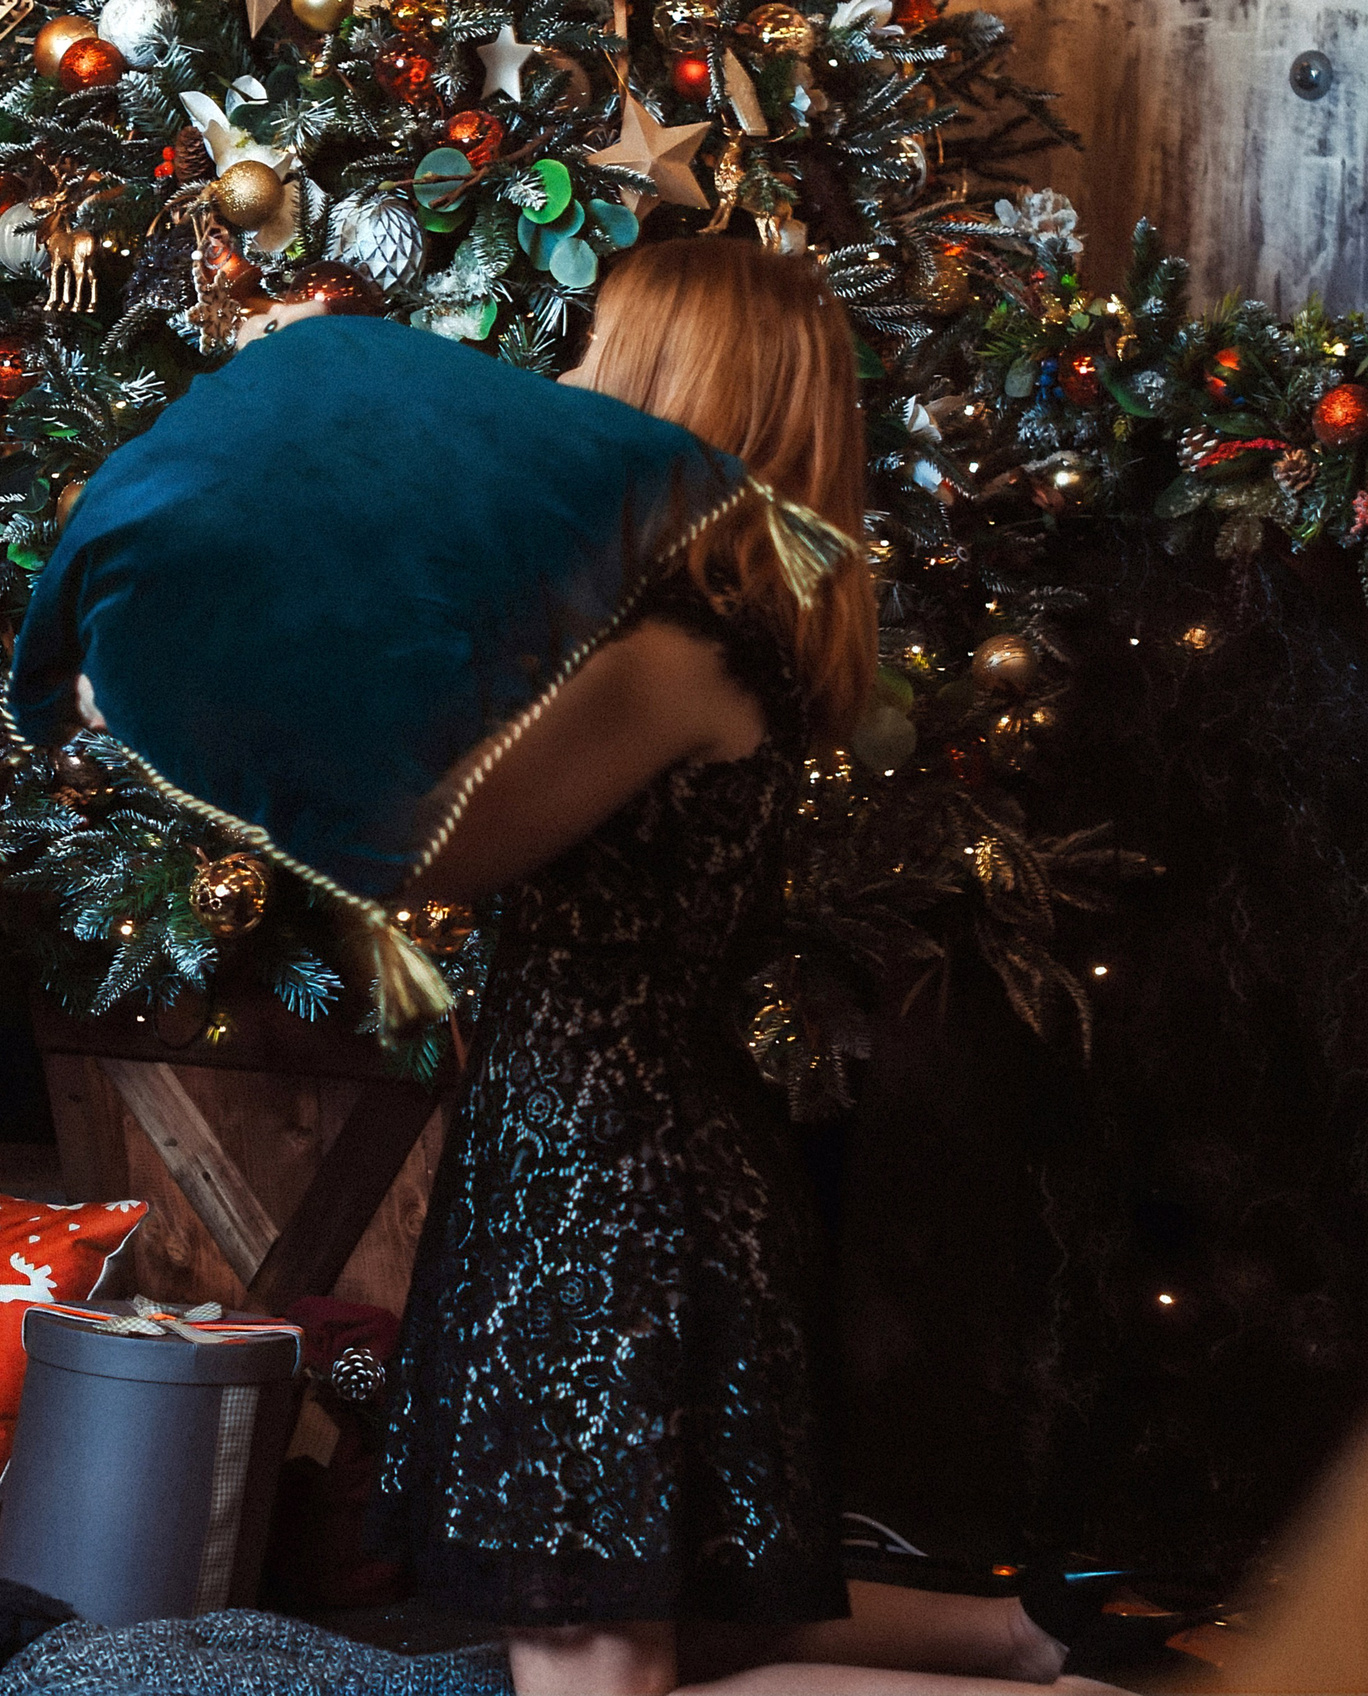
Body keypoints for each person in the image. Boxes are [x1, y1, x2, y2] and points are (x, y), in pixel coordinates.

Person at [363, 238, 1149, 1696]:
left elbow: (423, 850)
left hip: (604, 1195)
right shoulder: (708, 633)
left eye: (599, 344)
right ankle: (1025, 1640)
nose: (567, 374)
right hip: (634, 1163)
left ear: (667, 383)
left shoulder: (668, 654)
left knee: (596, 1658)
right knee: (695, 1605)